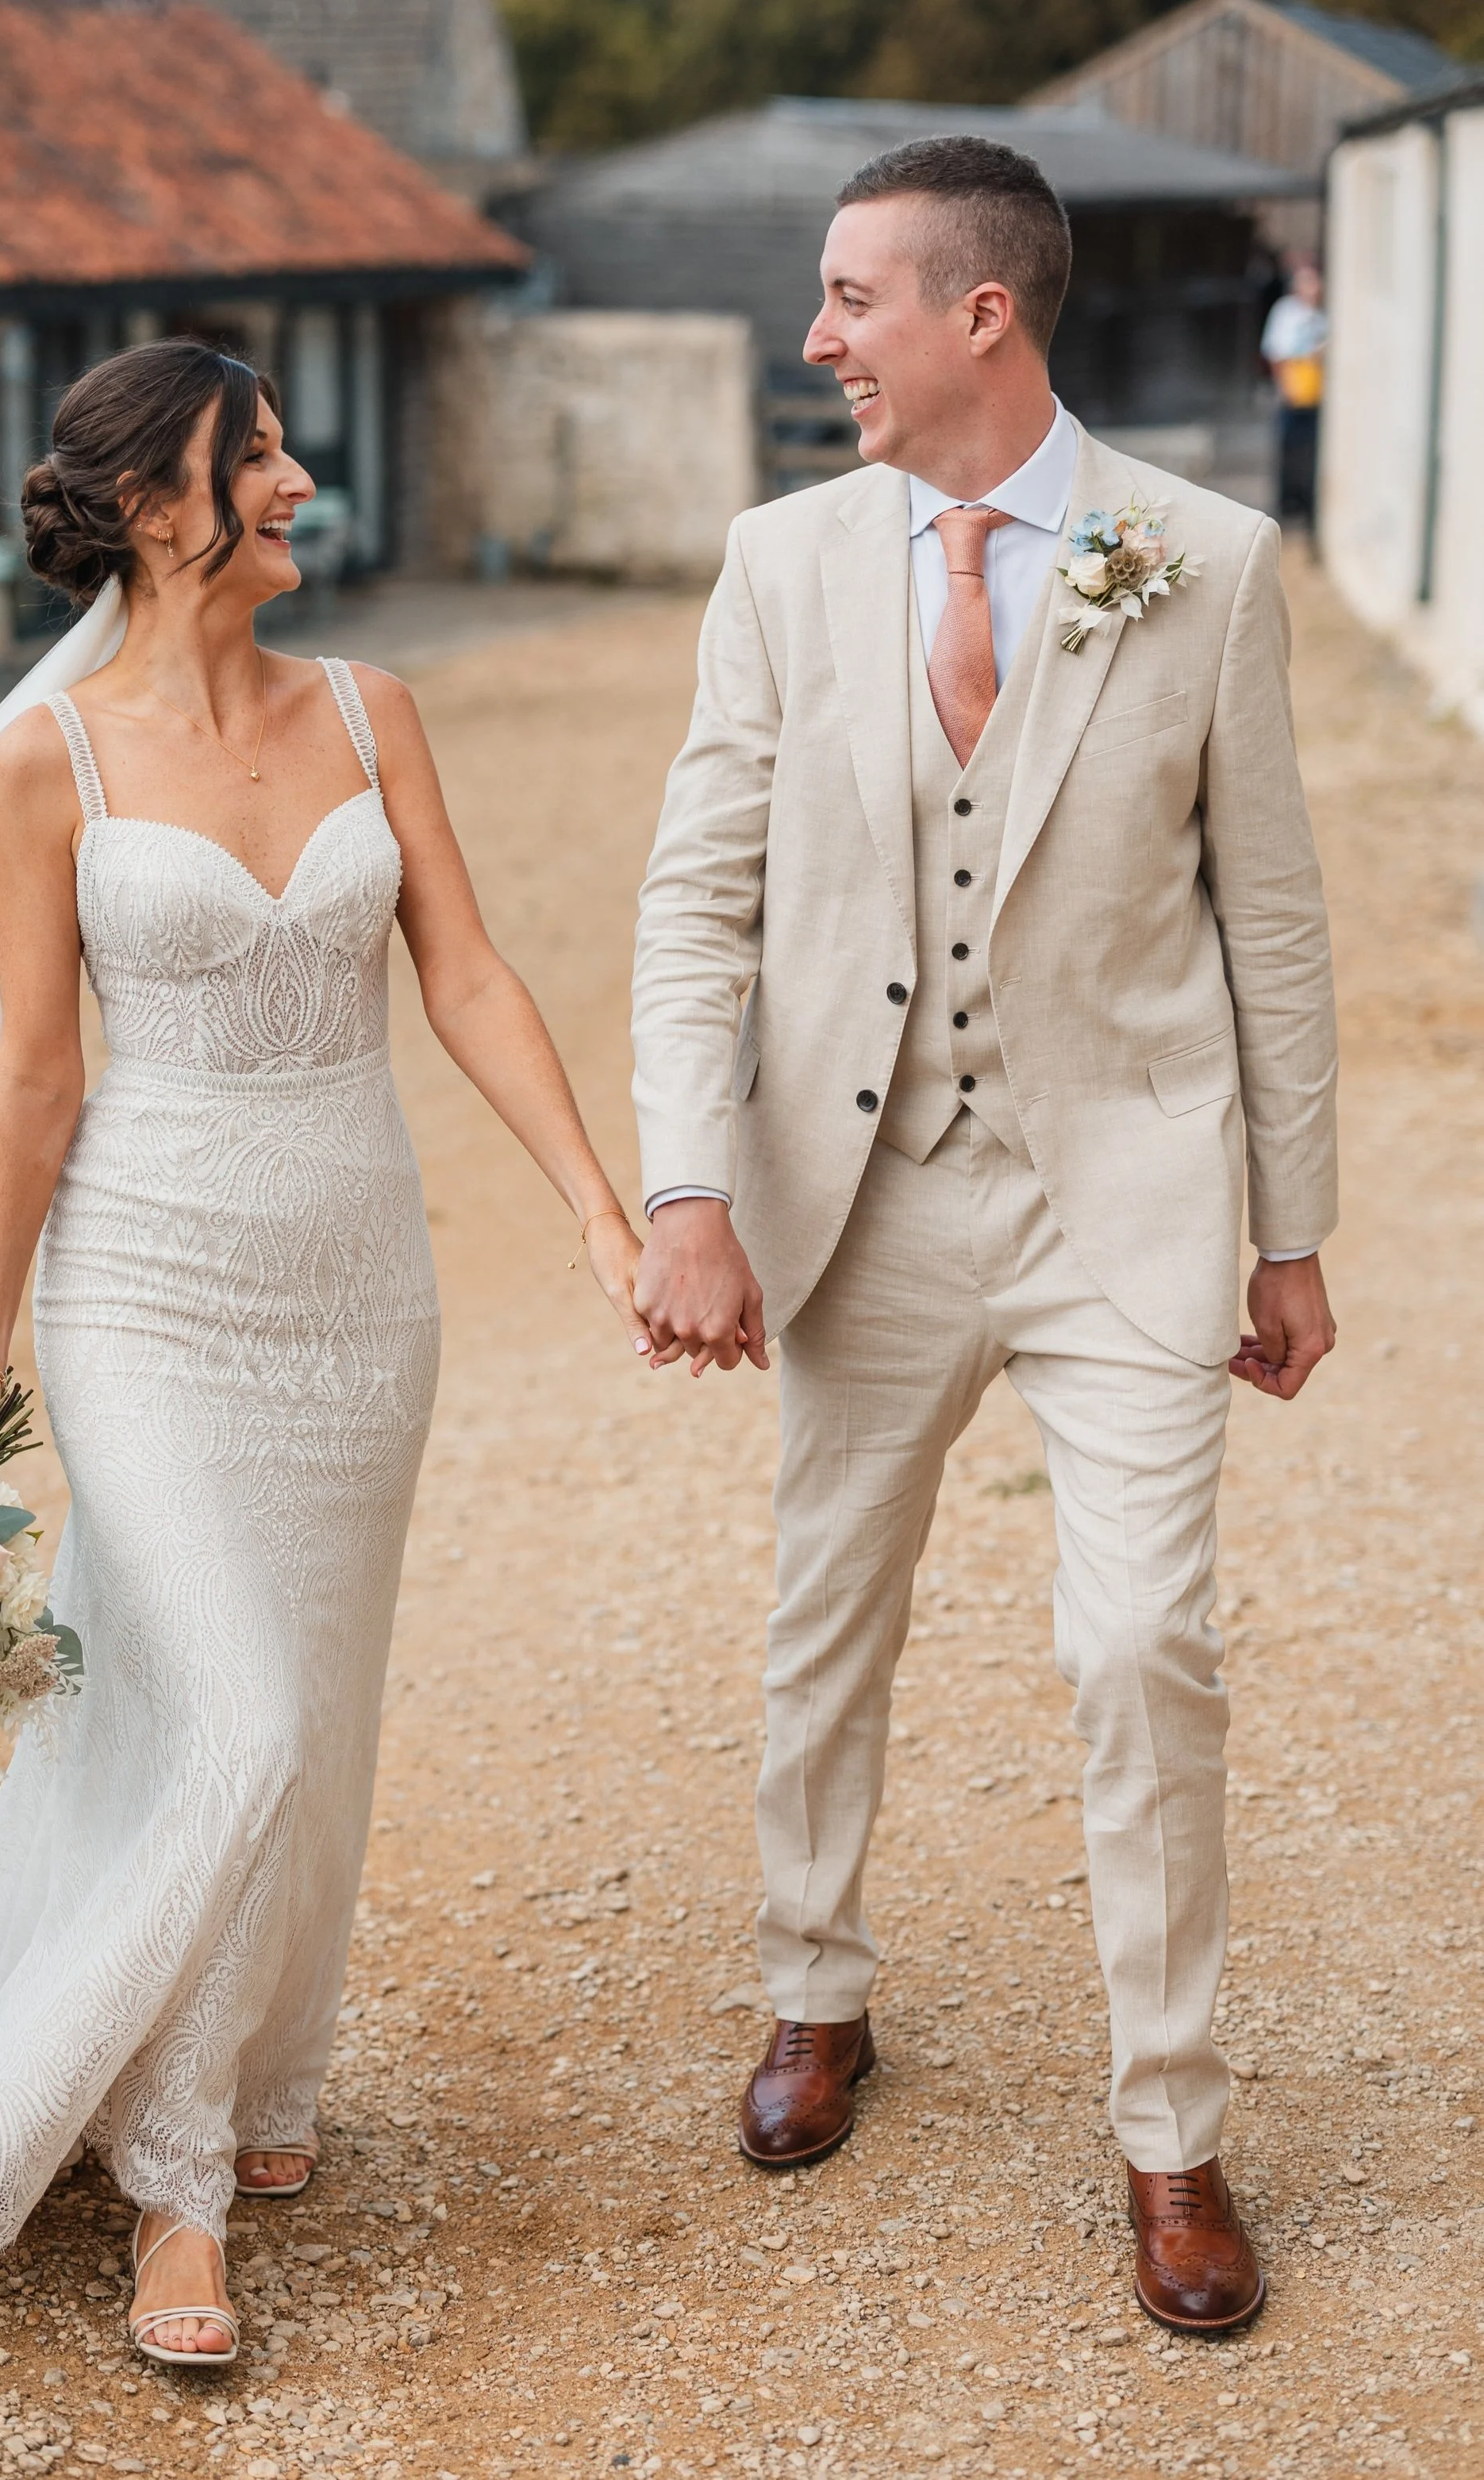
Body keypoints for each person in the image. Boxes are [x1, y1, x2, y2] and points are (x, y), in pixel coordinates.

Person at [0, 340, 648, 2359]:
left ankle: (263, 2073)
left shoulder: (375, 713)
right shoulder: (56, 762)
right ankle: (162, 2184)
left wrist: (597, 1207)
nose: (299, 477)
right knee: (244, 1718)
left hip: (361, 1286)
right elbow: (33, 1077)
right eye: (257, 451)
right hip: (150, 1285)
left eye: (287, 439)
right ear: (155, 503)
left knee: (315, 1691)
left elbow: (463, 968)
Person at [630, 138, 1336, 2337]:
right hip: (857, 1192)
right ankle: (813, 1984)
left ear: (978, 314)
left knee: (1144, 1645)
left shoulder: (1198, 561)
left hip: (1124, 1188)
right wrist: (686, 1187)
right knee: (824, 1607)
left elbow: (1274, 921)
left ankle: (1171, 2132)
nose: (818, 337)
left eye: (850, 298)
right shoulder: (773, 562)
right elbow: (697, 897)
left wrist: (1287, 1229)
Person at [1261, 258, 1326, 529]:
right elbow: (1276, 351)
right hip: (1294, 390)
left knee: (1312, 450)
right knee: (1291, 448)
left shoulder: (1323, 315)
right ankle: (1290, 502)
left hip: (1315, 392)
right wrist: (1284, 385)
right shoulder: (1287, 312)